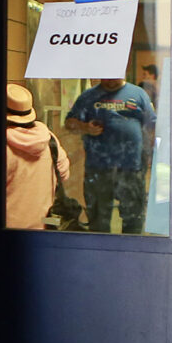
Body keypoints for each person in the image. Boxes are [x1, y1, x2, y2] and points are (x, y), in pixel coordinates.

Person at [61, 70, 153, 234]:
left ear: (124, 72)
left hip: (131, 167)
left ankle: (130, 253)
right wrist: (85, 127)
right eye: (106, 76)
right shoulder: (88, 96)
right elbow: (69, 123)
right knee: (98, 221)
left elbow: (151, 125)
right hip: (98, 168)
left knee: (134, 219)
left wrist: (152, 152)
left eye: (114, 77)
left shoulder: (138, 94)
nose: (110, 81)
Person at [2, 83, 69, 230]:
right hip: (44, 227)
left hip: (7, 231)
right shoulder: (49, 139)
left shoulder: (3, 146)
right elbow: (63, 174)